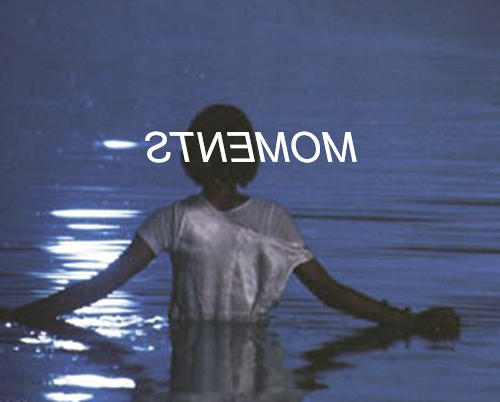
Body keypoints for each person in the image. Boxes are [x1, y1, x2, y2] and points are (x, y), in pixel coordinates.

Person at [7, 104, 459, 335]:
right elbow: (331, 294)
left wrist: (15, 316)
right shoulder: (273, 220)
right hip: (254, 354)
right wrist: (409, 322)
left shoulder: (171, 220)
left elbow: (97, 288)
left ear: (191, 157)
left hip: (187, 354)